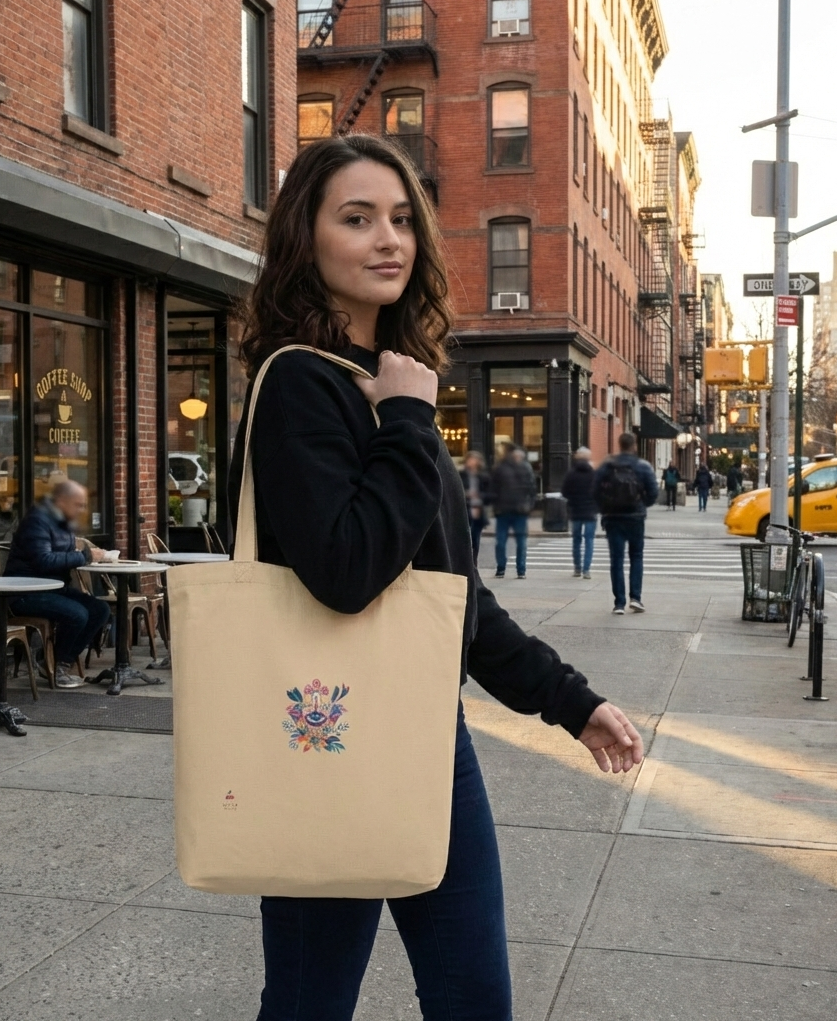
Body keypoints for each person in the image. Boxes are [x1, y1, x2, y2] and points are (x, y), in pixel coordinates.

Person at [230, 134, 643, 1021]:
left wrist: (572, 701)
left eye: (401, 219)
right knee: (310, 1003)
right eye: (356, 218)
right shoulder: (304, 383)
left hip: (430, 739)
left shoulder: (388, 383)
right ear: (307, 237)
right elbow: (347, 572)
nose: (390, 239)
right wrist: (411, 420)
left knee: (474, 999)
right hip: (324, 737)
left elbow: (451, 595)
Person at [5, 480, 112, 688]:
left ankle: (58, 661)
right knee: (77, 614)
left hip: (52, 586)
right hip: (24, 590)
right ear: (62, 501)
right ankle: (54, 666)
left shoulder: (63, 522)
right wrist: (85, 557)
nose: (82, 509)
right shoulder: (38, 521)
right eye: (78, 504)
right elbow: (43, 560)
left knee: (100, 609)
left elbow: (63, 554)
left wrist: (85, 555)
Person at [593, 432, 658, 614]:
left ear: (619, 445)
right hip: (635, 518)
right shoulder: (643, 466)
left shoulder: (607, 465)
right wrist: (641, 504)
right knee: (636, 556)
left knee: (617, 560)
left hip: (613, 518)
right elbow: (653, 492)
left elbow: (595, 490)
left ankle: (619, 603)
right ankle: (635, 598)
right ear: (634, 445)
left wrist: (604, 508)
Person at [491, 443, 537, 579]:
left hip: (519, 511)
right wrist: (496, 506)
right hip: (504, 510)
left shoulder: (525, 468)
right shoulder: (501, 468)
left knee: (521, 542)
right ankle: (501, 568)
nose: (517, 457)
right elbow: (494, 488)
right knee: (501, 542)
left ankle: (520, 570)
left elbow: (532, 489)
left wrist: (529, 505)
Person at [560, 447, 597, 578]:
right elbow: (598, 492)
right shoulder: (593, 474)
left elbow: (564, 492)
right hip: (590, 512)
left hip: (575, 511)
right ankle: (586, 570)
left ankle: (577, 568)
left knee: (576, 541)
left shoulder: (571, 474)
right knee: (589, 541)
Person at [458, 450, 491, 565]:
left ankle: (474, 563)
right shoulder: (460, 475)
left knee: (475, 538)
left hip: (478, 509)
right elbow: (455, 492)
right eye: (469, 460)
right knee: (464, 538)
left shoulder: (483, 477)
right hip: (465, 509)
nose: (471, 462)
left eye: (474, 460)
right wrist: (466, 494)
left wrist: (479, 495)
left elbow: (490, 495)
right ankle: (465, 562)